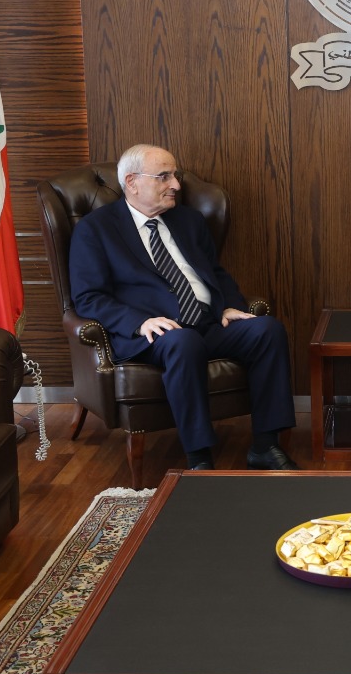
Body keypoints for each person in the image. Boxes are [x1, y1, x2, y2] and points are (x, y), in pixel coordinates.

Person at [69, 144, 297, 471]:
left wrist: (229, 306)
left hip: (207, 322)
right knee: (182, 341)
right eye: (164, 177)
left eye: (174, 175)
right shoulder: (95, 230)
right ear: (132, 182)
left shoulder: (188, 221)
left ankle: (265, 445)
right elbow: (89, 297)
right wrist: (139, 322)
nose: (175, 184)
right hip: (152, 334)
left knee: (267, 330)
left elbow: (215, 272)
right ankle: (199, 457)